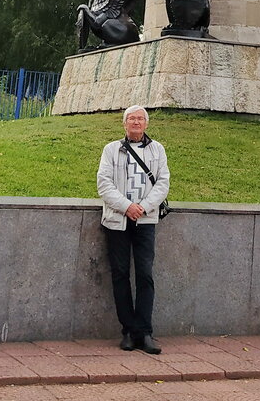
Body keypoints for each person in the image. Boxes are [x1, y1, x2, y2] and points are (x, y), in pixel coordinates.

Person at [97, 105, 170, 354]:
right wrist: (127, 207)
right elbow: (104, 184)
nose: (136, 122)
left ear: (146, 124)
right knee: (120, 274)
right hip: (117, 220)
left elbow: (163, 183)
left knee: (145, 275)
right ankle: (128, 331)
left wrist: (144, 207)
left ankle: (145, 332)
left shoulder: (157, 149)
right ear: (124, 123)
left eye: (140, 119)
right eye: (131, 119)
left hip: (145, 220)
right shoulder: (111, 149)